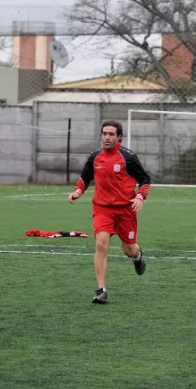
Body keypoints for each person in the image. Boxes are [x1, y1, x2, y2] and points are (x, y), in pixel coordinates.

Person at [68, 120, 151, 304]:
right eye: (104, 133)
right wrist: (78, 192)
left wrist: (139, 197)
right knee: (101, 244)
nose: (107, 137)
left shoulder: (128, 158)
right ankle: (101, 290)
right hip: (102, 208)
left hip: (125, 210)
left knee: (129, 250)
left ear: (119, 137)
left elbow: (145, 179)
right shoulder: (95, 157)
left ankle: (138, 256)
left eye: (111, 134)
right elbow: (85, 176)